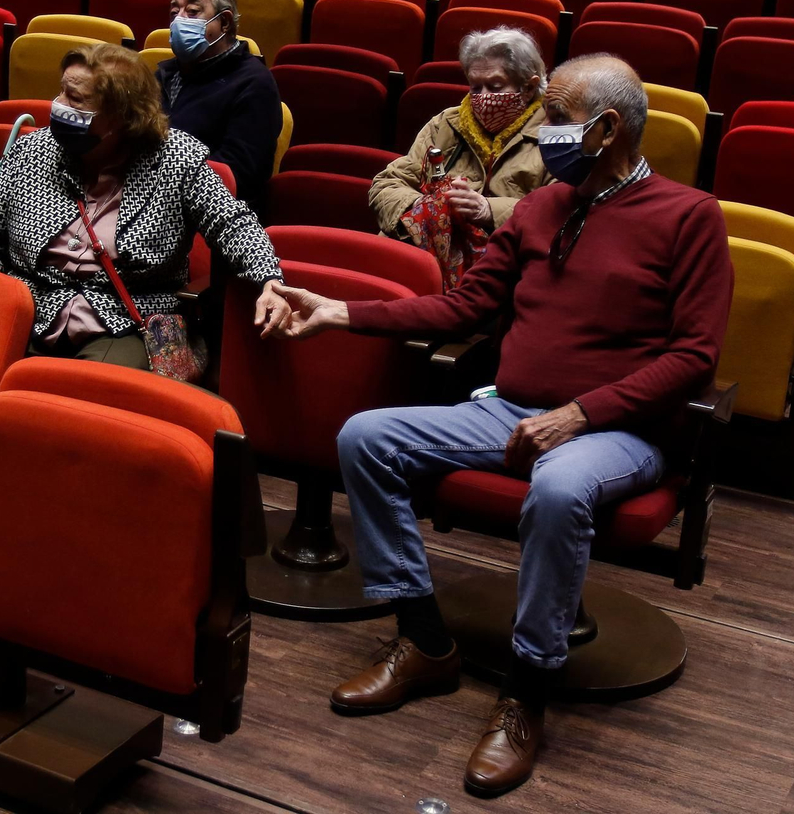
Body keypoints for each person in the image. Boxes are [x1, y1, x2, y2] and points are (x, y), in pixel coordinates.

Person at [257, 55, 733, 798]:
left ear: (605, 129)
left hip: (620, 428)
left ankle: (526, 694)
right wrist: (342, 313)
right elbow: (463, 307)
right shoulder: (545, 206)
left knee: (559, 486)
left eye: (555, 117)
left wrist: (579, 414)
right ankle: (424, 641)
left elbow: (696, 355)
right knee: (366, 438)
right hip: (509, 409)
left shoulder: (688, 216)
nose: (542, 132)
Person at [0, 42, 284, 368]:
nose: (59, 106)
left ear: (120, 115)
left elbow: (232, 222)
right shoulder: (32, 151)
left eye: (75, 100)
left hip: (124, 318)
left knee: (86, 394)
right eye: (61, 92)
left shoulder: (174, 159)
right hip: (31, 305)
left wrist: (268, 279)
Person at [370, 27, 551, 288]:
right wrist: (426, 211)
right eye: (476, 88)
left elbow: (561, 212)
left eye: (496, 86)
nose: (483, 98)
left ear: (529, 86)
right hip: (425, 256)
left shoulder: (555, 134)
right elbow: (386, 183)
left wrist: (489, 211)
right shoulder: (446, 123)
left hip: (506, 272)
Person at [153, 0, 282, 213]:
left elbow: (239, 172)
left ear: (224, 22)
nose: (179, 20)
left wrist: (161, 185)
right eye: (174, 13)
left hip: (210, 211)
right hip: (149, 199)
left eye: (192, 12)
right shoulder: (165, 74)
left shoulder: (254, 83)